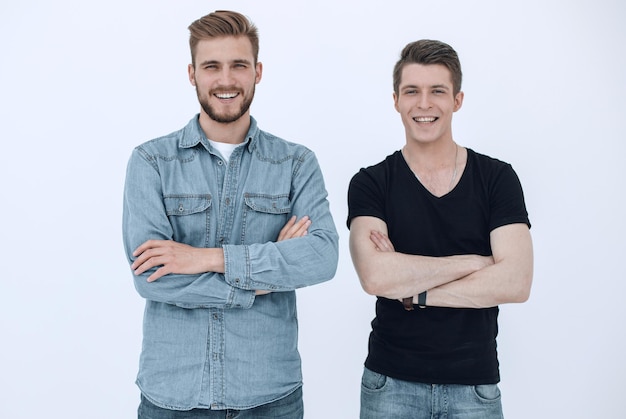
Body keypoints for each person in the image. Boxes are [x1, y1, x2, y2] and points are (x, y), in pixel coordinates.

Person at [122, 10, 339, 418]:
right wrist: (259, 282)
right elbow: (151, 278)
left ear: (257, 71)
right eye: (212, 66)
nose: (226, 80)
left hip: (270, 397)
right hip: (173, 396)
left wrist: (203, 258)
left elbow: (321, 257)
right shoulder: (151, 161)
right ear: (192, 74)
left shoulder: (296, 163)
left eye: (238, 65)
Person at [347, 39, 533, 418]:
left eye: (438, 91)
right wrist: (476, 263)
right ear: (396, 99)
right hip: (390, 387)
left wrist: (417, 292)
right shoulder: (371, 183)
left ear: (457, 100)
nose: (424, 104)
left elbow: (515, 282)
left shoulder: (497, 178)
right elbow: (376, 277)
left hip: (475, 389)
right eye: (412, 91)